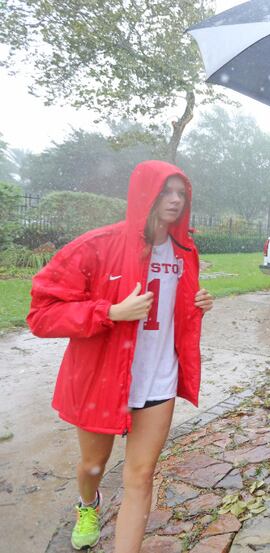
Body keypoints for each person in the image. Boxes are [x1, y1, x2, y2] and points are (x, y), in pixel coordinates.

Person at [27, 161, 213, 552]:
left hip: (158, 379)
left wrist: (196, 303)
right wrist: (109, 312)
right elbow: (41, 315)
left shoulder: (185, 250)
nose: (176, 199)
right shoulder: (96, 245)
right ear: (145, 193)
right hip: (103, 379)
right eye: (166, 191)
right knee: (92, 466)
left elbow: (171, 308)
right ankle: (88, 503)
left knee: (140, 476)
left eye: (181, 192)